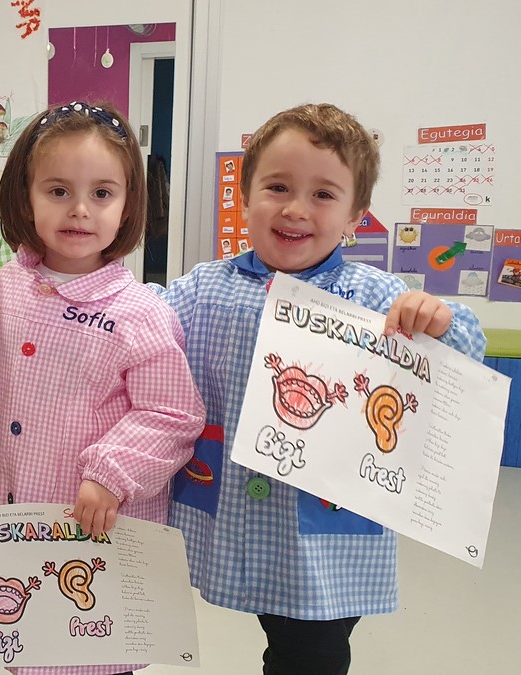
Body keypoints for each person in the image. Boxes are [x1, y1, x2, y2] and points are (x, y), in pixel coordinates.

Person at [155, 103, 485, 675]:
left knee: (312, 654)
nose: (295, 209)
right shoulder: (206, 287)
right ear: (244, 196)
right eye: (277, 187)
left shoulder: (376, 297)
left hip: (320, 531)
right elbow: (143, 321)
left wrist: (438, 319)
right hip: (230, 511)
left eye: (324, 194)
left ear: (356, 215)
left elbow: (467, 350)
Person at [0, 101, 205, 675]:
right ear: (25, 197)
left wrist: (111, 471)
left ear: (128, 203)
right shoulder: (6, 285)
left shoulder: (140, 311)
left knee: (93, 651)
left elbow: (172, 414)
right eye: (58, 190)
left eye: (102, 193)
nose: (80, 209)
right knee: (25, 643)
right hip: (18, 515)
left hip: (98, 523)